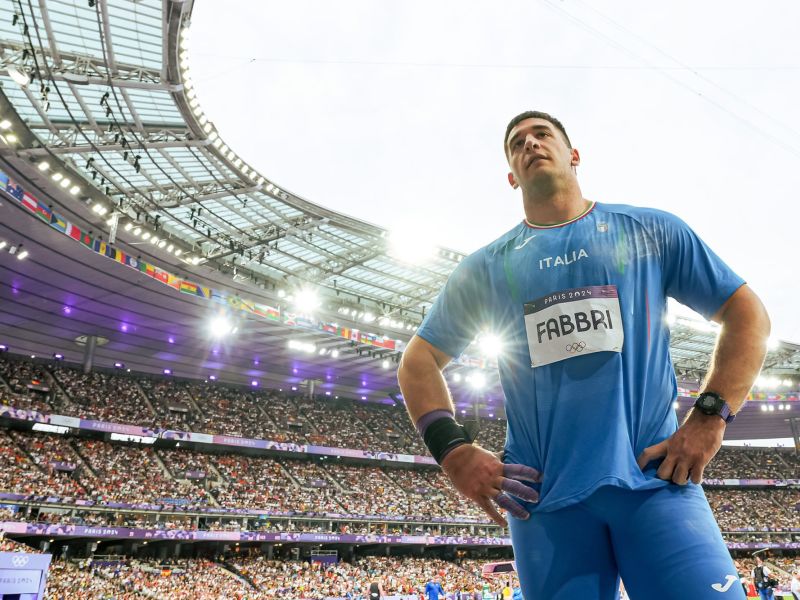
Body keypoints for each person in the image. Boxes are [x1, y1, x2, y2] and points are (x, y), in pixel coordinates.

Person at [397, 110, 771, 600]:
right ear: (511, 176)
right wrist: (453, 451)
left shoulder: (649, 231)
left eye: (542, 135)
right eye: (517, 143)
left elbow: (747, 314)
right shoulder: (486, 267)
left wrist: (712, 414)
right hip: (545, 503)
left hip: (655, 482)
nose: (530, 143)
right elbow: (417, 361)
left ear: (573, 155)